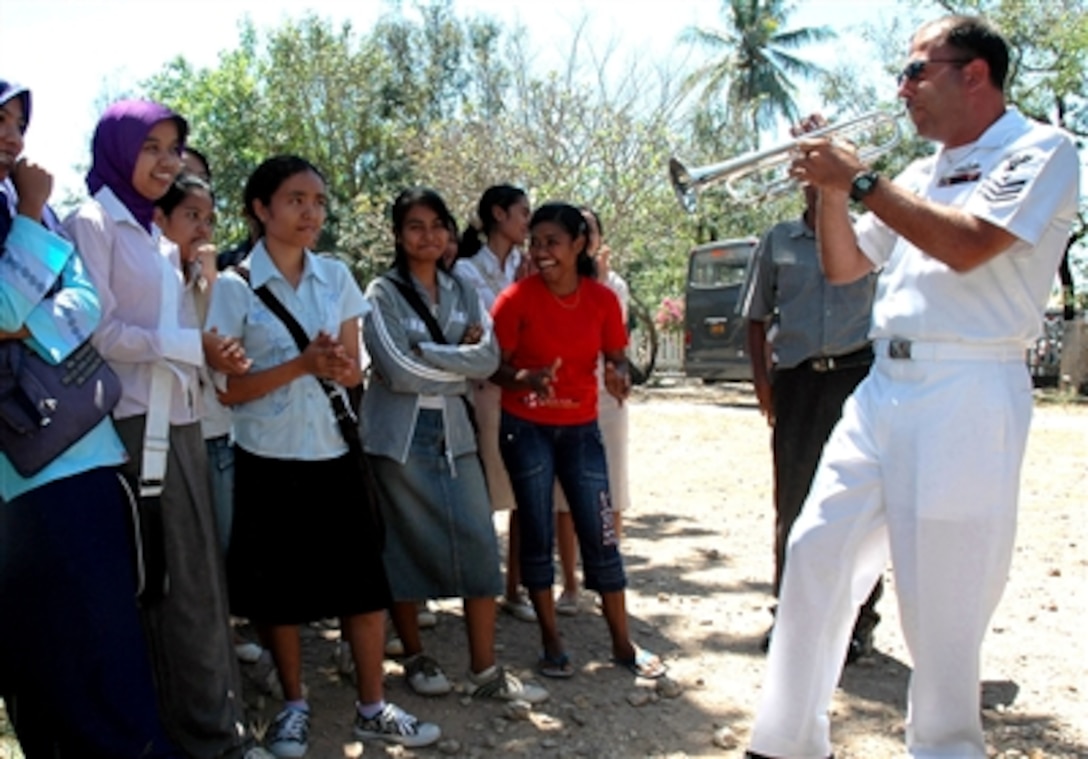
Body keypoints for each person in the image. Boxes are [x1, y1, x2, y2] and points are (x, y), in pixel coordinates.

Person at [745, 15, 1079, 759]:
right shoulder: (925, 169)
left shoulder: (1040, 149)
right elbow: (843, 268)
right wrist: (832, 194)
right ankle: (787, 741)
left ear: (976, 74)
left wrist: (860, 178)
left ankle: (946, 747)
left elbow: (967, 245)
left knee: (943, 601)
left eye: (917, 71)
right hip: (884, 382)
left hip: (968, 383)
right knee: (816, 552)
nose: (903, 89)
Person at [206, 157, 441, 755]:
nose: (311, 212)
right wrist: (302, 365)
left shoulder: (335, 275)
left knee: (364, 585)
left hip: (336, 451)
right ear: (261, 209)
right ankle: (294, 705)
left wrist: (339, 366)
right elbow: (228, 390)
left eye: (317, 200)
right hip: (266, 456)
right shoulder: (234, 287)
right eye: (295, 200)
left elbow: (352, 367)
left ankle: (371, 704)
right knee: (277, 592)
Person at [63, 99, 270, 759]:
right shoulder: (91, 221)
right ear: (119, 148)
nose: (165, 161)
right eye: (150, 146)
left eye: (173, 148)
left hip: (181, 423)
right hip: (133, 430)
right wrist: (191, 348)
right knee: (167, 590)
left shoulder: (152, 233)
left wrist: (204, 349)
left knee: (199, 587)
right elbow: (97, 331)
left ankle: (215, 728)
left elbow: (172, 333)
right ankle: (201, 738)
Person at [0, 79, 181, 759]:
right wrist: (30, 226)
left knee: (107, 629)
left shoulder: (34, 217)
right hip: (25, 464)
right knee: (53, 644)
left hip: (88, 444)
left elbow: (79, 310)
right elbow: (11, 312)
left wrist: (28, 307)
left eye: (18, 121)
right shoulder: (35, 213)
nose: (12, 137)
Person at [362, 187, 548, 705]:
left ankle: (485, 669)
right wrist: (454, 358)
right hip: (396, 440)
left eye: (438, 224)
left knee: (478, 540)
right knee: (399, 546)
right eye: (416, 226)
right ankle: (417, 656)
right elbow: (396, 372)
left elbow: (488, 359)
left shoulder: (461, 287)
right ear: (399, 235)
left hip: (454, 433)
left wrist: (427, 352)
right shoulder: (380, 292)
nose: (430, 235)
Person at [491, 201, 666, 680]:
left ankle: (623, 644)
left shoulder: (603, 300)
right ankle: (551, 642)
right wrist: (526, 378)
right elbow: (496, 367)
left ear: (579, 245)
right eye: (536, 242)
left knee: (602, 533)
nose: (542, 252)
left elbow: (615, 356)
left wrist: (618, 375)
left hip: (582, 430)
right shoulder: (514, 300)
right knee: (537, 530)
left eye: (552, 242)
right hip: (524, 429)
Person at [737, 183, 884, 662]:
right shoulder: (777, 240)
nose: (818, 188)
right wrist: (764, 382)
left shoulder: (870, 235)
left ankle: (859, 622)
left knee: (860, 504)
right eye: (811, 177)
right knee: (794, 501)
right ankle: (792, 615)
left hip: (856, 378)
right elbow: (755, 317)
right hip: (798, 383)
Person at [451, 184, 536, 623]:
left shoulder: (530, 266)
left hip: (524, 390)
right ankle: (479, 584)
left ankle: (514, 588)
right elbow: (486, 332)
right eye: (523, 212)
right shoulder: (466, 271)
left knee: (525, 488)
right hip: (484, 392)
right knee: (482, 491)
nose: (528, 221)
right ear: (499, 215)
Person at [553, 206, 631, 616]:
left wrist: (598, 283)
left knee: (609, 490)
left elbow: (614, 340)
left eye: (590, 231)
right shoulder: (552, 284)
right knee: (564, 497)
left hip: (606, 397)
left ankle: (606, 580)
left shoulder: (614, 285)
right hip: (564, 398)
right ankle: (569, 584)